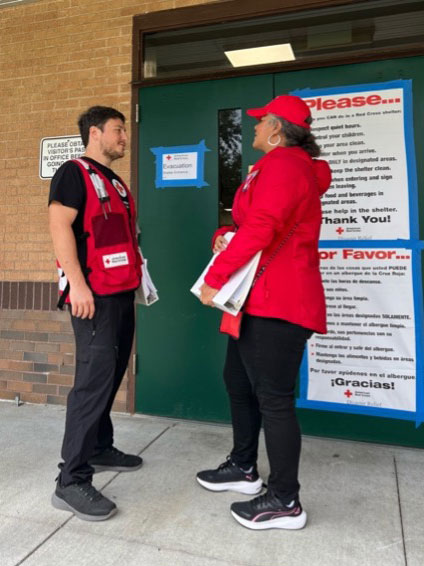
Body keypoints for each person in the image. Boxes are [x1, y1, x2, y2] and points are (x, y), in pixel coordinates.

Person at [196, 95, 331, 530]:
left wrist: (216, 276)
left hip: (280, 300)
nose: (252, 128)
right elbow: (249, 224)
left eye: (259, 123)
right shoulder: (273, 167)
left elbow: (263, 225)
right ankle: (244, 467)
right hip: (257, 298)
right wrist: (224, 235)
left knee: (273, 398)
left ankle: (285, 501)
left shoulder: (286, 165)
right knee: (238, 381)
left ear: (277, 130)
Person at [48, 106, 143, 521]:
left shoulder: (115, 182)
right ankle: (71, 480)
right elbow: (59, 226)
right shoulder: (73, 173)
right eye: (118, 130)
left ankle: (100, 446)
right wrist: (78, 284)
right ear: (94, 132)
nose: (124, 137)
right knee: (91, 382)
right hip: (94, 297)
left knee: (111, 373)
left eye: (123, 130)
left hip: (121, 294)